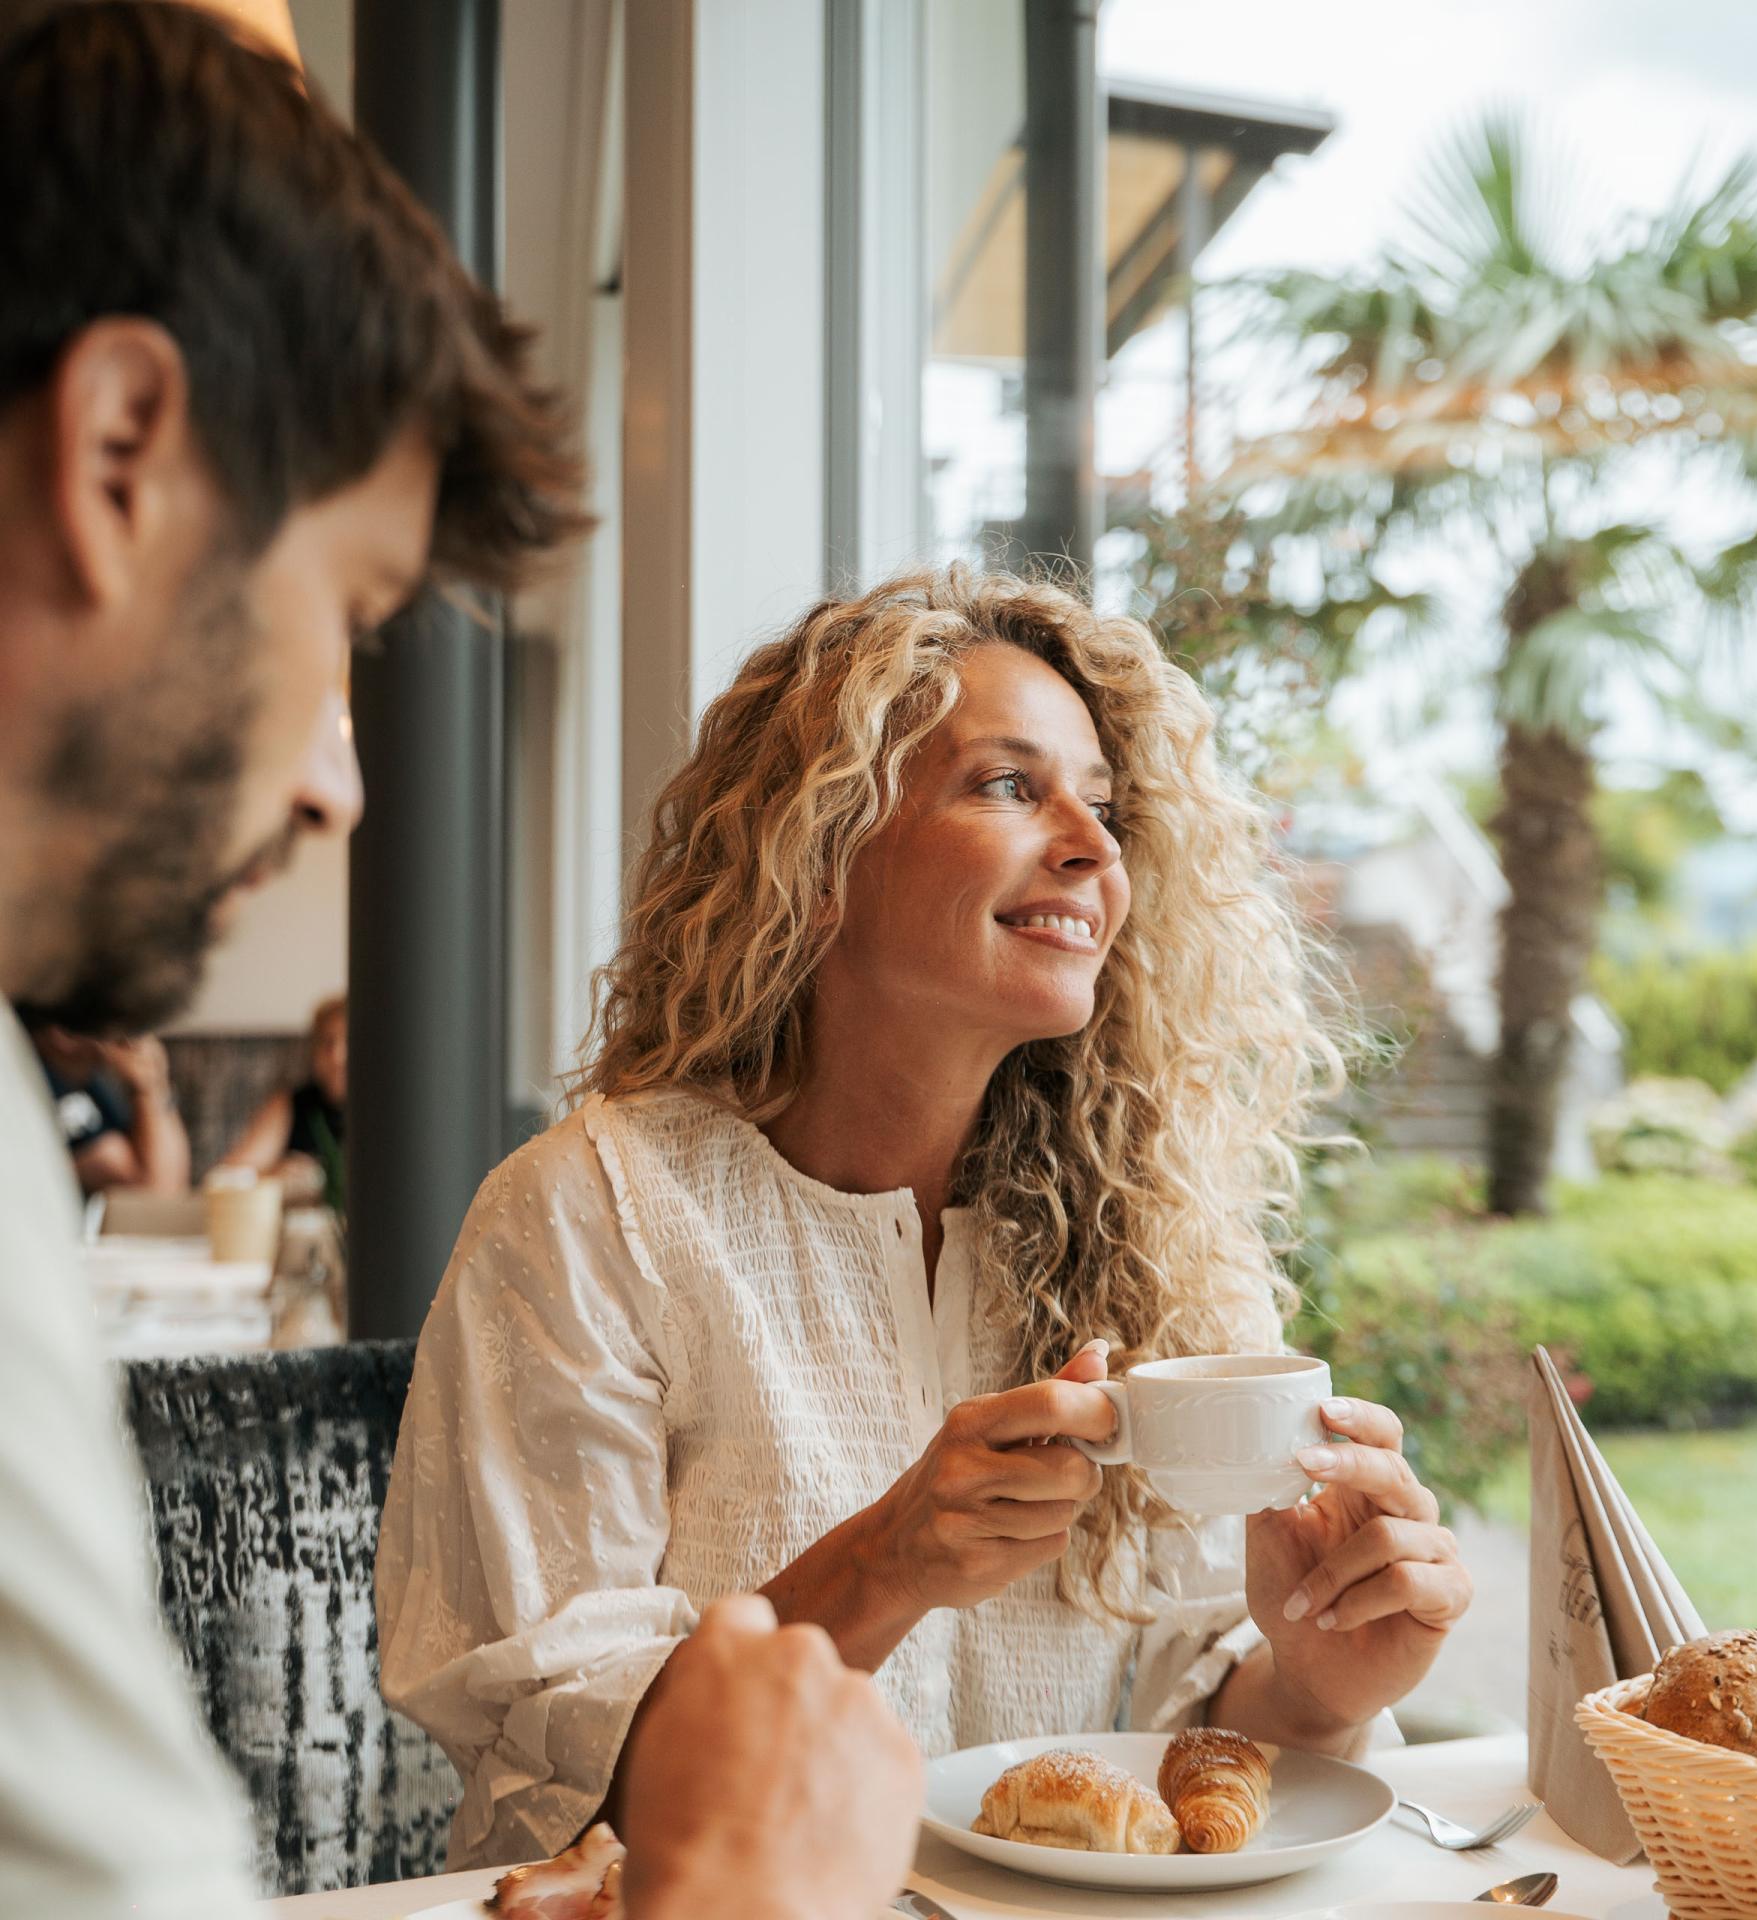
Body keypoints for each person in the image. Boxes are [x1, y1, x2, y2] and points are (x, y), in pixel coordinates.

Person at [0, 7, 918, 1919]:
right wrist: (740, 1889)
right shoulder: (591, 1206)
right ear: (115, 454)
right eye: (341, 618)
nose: (341, 782)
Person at [378, 565, 1474, 1868]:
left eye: (1106, 803)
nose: (1093, 843)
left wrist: (1319, 1680)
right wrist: (883, 1566)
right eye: (1010, 785)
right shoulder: (594, 1217)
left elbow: (1184, 1755)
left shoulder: (1158, 1250)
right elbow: (551, 1785)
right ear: (822, 847)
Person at [29, 1020, 191, 1194]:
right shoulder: (43, 1084)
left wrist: (156, 1088)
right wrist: (146, 1089)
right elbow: (153, 1190)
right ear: (63, 1036)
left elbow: (176, 1186)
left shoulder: (91, 1080)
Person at [222, 993, 347, 1209]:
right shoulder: (291, 1104)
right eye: (327, 1042)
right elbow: (230, 1176)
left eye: (350, 1040)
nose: (337, 1055)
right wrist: (275, 1174)